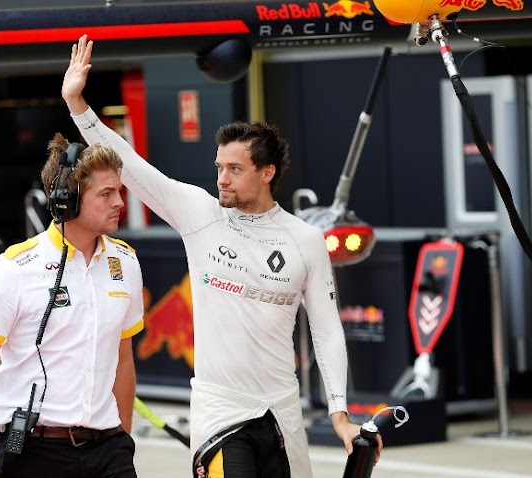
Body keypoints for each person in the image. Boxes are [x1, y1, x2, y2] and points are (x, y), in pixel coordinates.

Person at [62, 35, 383, 478]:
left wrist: (339, 414)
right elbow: (130, 164)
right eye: (219, 168)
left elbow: (327, 332)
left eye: (235, 169)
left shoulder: (305, 239)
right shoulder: (199, 213)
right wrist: (78, 104)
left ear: (266, 173)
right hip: (220, 411)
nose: (222, 179)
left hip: (283, 411)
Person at [0, 134, 144, 478]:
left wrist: (123, 438)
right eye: (106, 194)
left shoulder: (125, 262)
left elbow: (123, 359)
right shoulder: (14, 269)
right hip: (35, 452)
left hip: (110, 450)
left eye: (119, 191)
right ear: (66, 200)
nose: (120, 202)